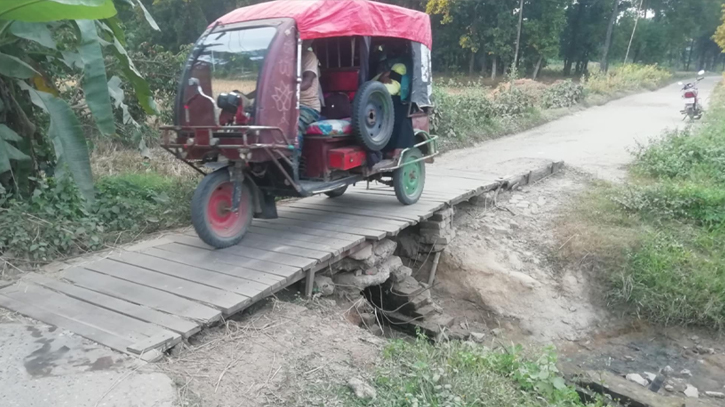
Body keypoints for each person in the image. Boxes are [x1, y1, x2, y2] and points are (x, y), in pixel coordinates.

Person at [298, 40, 321, 150]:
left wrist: (286, 90)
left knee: (293, 128)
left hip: (307, 106)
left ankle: (292, 165)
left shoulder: (308, 56)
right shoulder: (282, 59)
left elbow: (307, 82)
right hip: (285, 106)